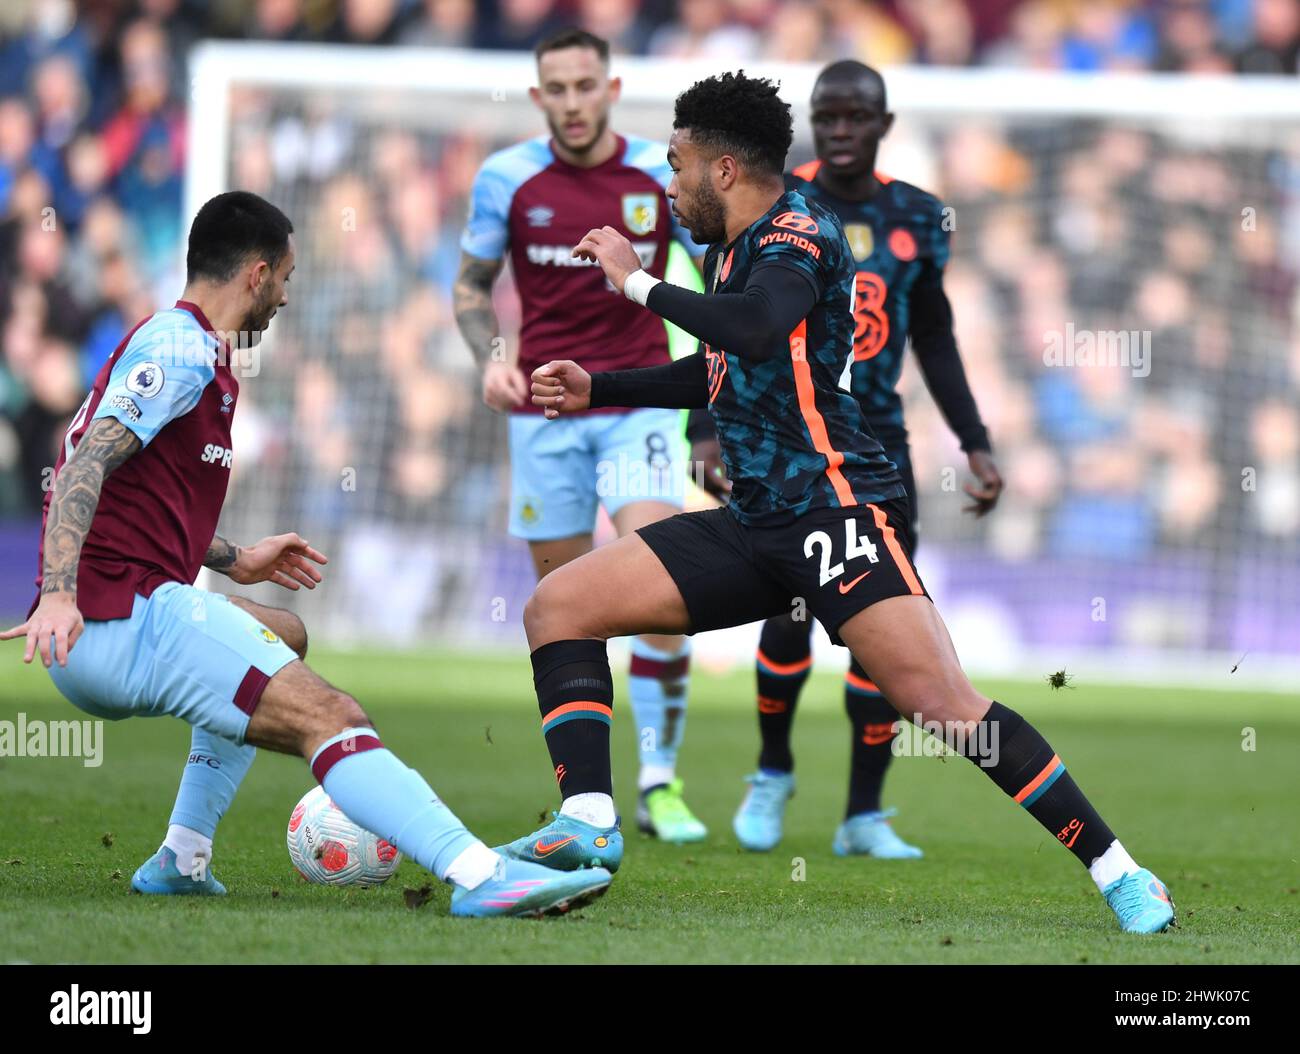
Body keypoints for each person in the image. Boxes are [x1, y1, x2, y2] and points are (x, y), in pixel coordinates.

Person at [499, 71, 1174, 934]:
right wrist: (601, 387)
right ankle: (588, 825)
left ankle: (1121, 873)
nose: (668, 187)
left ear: (725, 171)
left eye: (677, 167)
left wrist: (635, 285)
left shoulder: (800, 237)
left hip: (837, 515)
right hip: (754, 524)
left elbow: (747, 328)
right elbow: (718, 366)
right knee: (560, 606)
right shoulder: (728, 248)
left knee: (949, 710)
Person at [2, 190, 610, 918]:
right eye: (285, 278)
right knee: (332, 713)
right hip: (110, 620)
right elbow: (82, 467)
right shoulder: (180, 346)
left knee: (282, 635)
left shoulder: (195, 351)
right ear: (256, 275)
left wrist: (234, 558)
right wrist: (62, 593)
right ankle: (482, 877)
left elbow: (138, 498)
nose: (286, 297)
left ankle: (181, 859)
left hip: (117, 614)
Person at [688, 60, 1004, 857]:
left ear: (883, 124)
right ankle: (772, 771)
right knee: (787, 614)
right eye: (826, 116)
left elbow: (933, 334)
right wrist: (705, 429)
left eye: (855, 116)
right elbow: (728, 324)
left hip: (876, 452)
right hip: (785, 443)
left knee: (885, 632)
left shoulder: (922, 217)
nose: (840, 130)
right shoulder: (776, 203)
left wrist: (974, 440)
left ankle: (863, 811)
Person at [454, 27, 707, 843]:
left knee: (667, 589)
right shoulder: (507, 179)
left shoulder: (656, 177)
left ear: (610, 88)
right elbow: (471, 284)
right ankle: (585, 797)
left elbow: (709, 276)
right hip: (543, 415)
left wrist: (706, 414)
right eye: (555, 89)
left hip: (637, 404)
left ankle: (661, 783)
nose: (570, 102)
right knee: (564, 607)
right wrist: (490, 355)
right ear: (538, 96)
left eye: (583, 86)